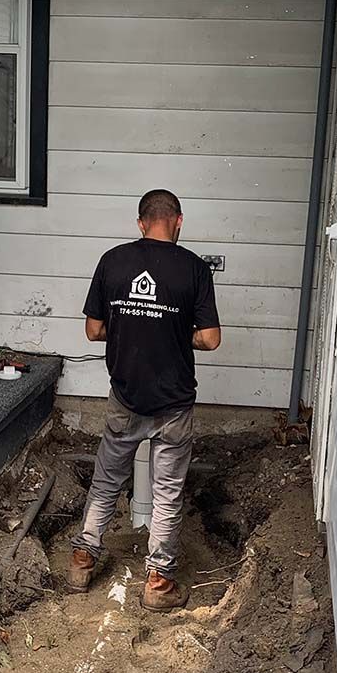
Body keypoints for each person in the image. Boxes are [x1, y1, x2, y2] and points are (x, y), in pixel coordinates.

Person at [67, 189, 221, 611]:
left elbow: (94, 331)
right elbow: (209, 338)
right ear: (178, 221)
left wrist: (130, 325)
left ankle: (82, 560)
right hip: (173, 404)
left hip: (126, 397)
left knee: (105, 481)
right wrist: (175, 333)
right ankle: (157, 583)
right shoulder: (193, 269)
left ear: (140, 223)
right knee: (167, 492)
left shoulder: (112, 261)